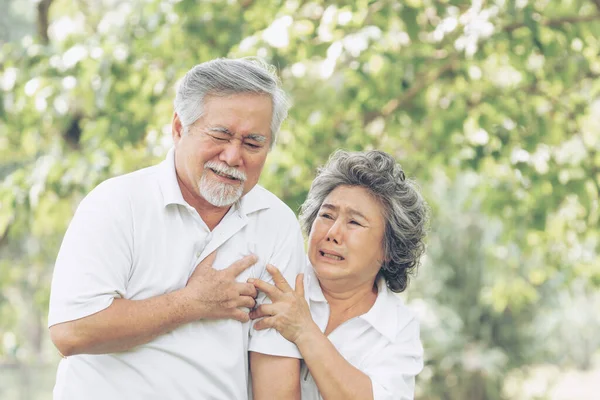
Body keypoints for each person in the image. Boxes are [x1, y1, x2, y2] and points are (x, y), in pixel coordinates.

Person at [47, 58, 305, 400]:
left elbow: (275, 372)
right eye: (220, 135)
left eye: (253, 143)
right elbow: (71, 331)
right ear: (179, 128)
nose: (232, 156)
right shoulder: (117, 203)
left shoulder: (276, 222)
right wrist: (191, 302)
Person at [249, 150, 428, 400]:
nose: (332, 232)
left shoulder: (397, 327)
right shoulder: (282, 279)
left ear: (389, 248)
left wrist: (303, 330)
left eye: (354, 223)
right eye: (326, 215)